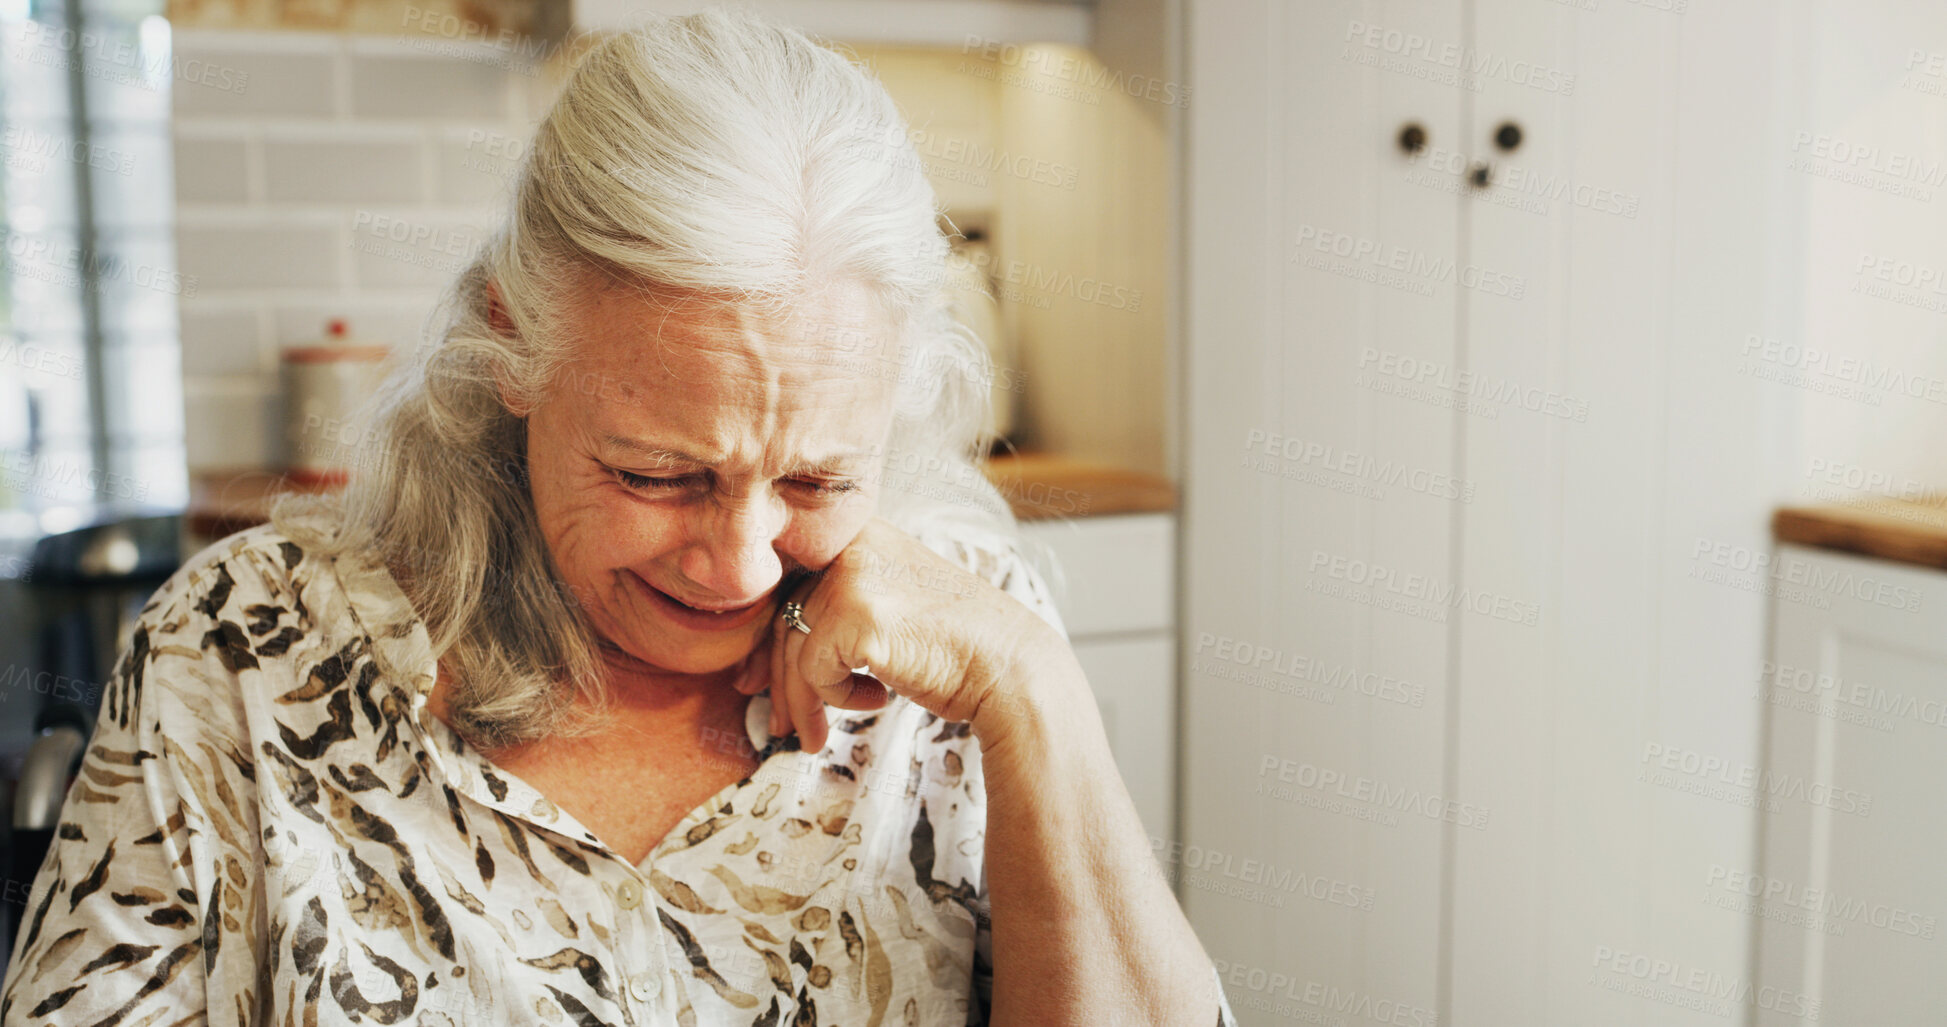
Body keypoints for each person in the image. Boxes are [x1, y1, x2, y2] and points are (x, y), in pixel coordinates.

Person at [0, 9, 1239, 1025]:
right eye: (657, 474)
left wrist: (1031, 690)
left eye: (816, 482)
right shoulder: (239, 650)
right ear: (512, 345)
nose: (738, 564)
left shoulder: (973, 644)